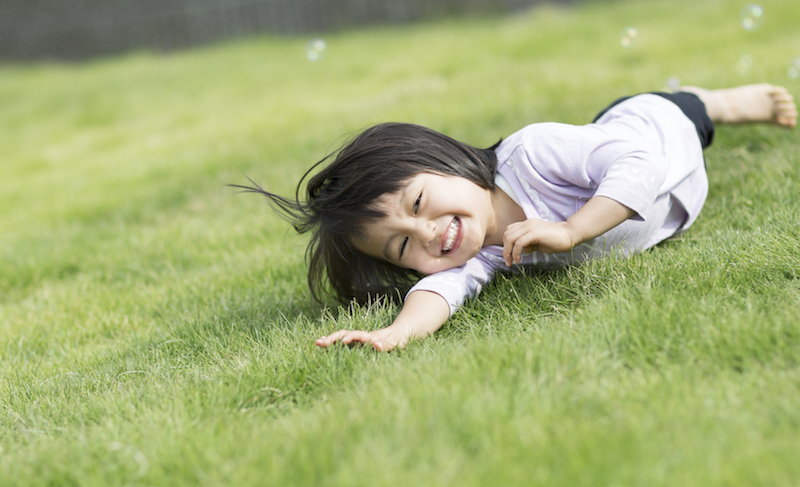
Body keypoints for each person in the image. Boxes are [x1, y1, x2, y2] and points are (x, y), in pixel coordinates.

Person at [236, 83, 797, 351]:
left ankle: (719, 101)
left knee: (686, 114)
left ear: (445, 161)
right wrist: (393, 334)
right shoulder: (474, 252)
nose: (429, 233)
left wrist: (573, 230)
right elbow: (440, 295)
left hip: (659, 138)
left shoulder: (533, 153)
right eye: (402, 248)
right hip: (669, 204)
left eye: (417, 205)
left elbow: (640, 165)